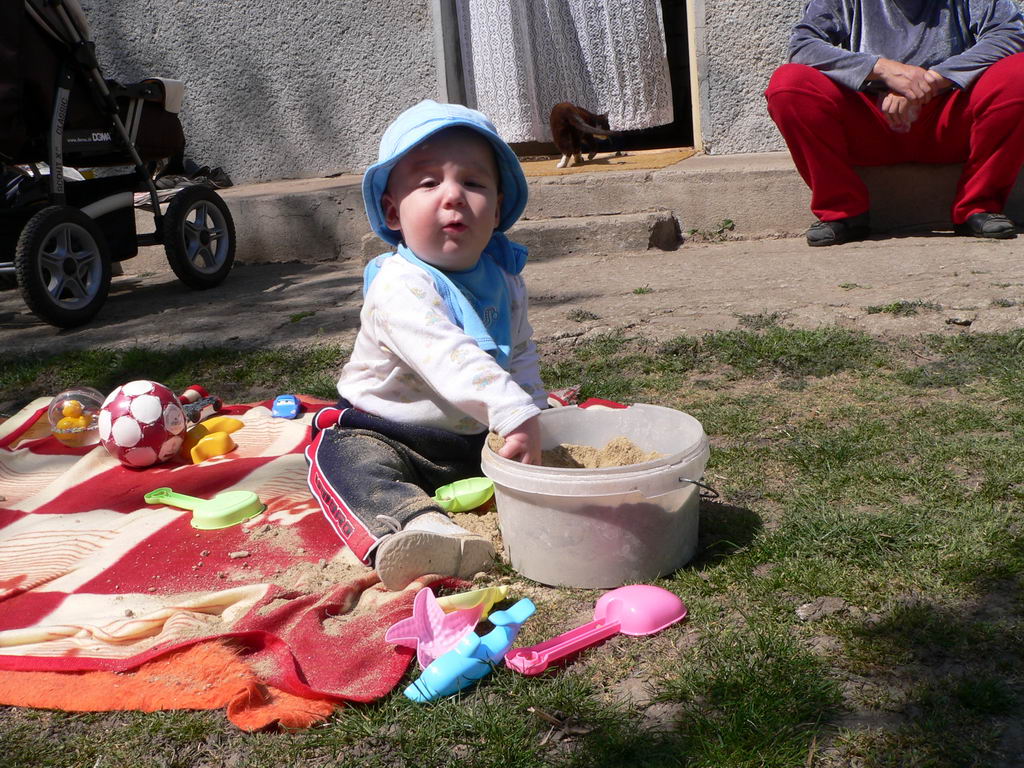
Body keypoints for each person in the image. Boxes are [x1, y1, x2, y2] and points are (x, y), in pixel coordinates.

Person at [305, 100, 547, 591]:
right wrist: (512, 410)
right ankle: (416, 527)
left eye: (473, 182)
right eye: (429, 182)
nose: (453, 195)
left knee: (532, 428)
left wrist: (532, 414)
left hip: (473, 437)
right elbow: (447, 355)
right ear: (393, 212)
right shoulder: (398, 284)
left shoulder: (504, 281)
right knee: (342, 458)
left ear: (498, 208)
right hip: (391, 433)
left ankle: (518, 490)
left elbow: (519, 353)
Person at [765, 0, 1024, 246]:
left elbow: (1011, 34)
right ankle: (843, 211)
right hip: (869, 124)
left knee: (1019, 74)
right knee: (789, 85)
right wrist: (884, 70)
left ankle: (978, 206)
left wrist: (932, 80)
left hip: (949, 121)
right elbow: (803, 45)